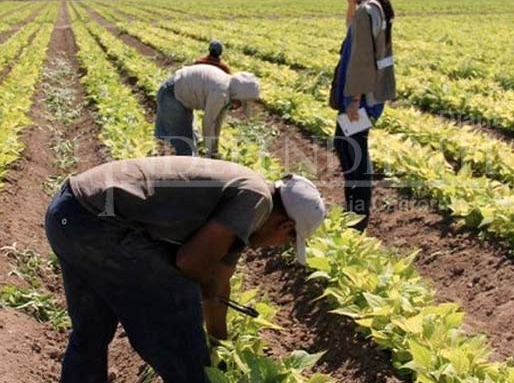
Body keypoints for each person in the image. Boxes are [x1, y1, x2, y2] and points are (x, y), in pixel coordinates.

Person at [44, 156, 326, 383]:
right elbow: (190, 264)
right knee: (179, 305)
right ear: (286, 227)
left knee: (92, 329)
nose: (277, 247)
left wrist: (219, 345)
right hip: (97, 224)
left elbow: (219, 280)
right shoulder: (256, 200)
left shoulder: (249, 197)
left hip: (69, 214)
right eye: (288, 242)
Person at [329, 0, 396, 231]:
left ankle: (357, 214)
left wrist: (354, 100)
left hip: (363, 98)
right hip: (370, 95)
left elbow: (362, 61)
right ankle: (356, 209)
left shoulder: (368, 10)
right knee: (349, 145)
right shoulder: (373, 7)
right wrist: (351, 2)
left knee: (352, 150)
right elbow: (352, 29)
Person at [154, 59, 259, 158]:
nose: (237, 108)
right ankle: (185, 174)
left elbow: (218, 122)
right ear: (238, 95)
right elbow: (208, 122)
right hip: (172, 94)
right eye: (240, 103)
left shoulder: (227, 89)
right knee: (186, 146)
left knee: (193, 139)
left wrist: (214, 150)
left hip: (181, 95)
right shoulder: (220, 92)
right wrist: (209, 153)